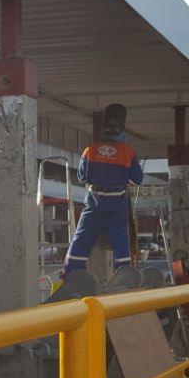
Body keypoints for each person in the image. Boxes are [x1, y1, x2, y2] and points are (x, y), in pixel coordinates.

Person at [58, 103, 144, 288]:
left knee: (82, 237)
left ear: (103, 126)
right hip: (117, 202)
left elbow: (82, 177)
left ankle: (70, 274)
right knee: (121, 239)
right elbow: (138, 179)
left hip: (94, 201)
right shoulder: (128, 152)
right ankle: (123, 275)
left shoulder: (90, 150)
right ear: (122, 127)